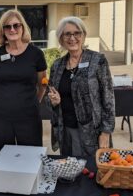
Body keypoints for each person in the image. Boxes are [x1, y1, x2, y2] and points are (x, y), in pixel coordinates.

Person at [47, 16, 115, 156]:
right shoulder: (57, 66)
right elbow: (50, 97)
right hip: (65, 130)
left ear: (83, 36)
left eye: (77, 33)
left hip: (92, 133)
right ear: (61, 38)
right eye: (67, 34)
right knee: (70, 171)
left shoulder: (97, 61)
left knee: (92, 171)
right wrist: (54, 102)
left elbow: (108, 98)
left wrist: (106, 132)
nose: (72, 38)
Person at [0, 9, 47, 152]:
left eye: (16, 25)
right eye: (7, 26)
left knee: (31, 156)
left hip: (29, 117)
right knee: (3, 157)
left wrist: (32, 101)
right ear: (2, 30)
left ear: (23, 27)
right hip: (1, 117)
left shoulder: (36, 54)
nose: (12, 29)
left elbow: (42, 84)